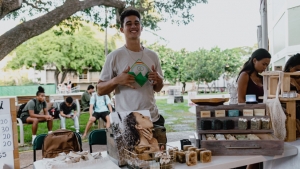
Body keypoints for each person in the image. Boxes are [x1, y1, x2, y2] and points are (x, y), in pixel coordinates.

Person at [97, 9, 165, 126]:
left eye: (136, 23)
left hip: (152, 119)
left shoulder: (153, 56)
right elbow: (99, 89)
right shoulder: (114, 56)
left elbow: (158, 88)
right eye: (128, 24)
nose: (133, 26)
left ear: (141, 27)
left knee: (158, 145)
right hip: (125, 121)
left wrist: (159, 80)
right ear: (122, 29)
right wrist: (116, 80)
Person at [283, 53, 300, 119]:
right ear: (290, 67)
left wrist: (296, 85)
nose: (298, 72)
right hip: (287, 113)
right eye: (297, 70)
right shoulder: (282, 77)